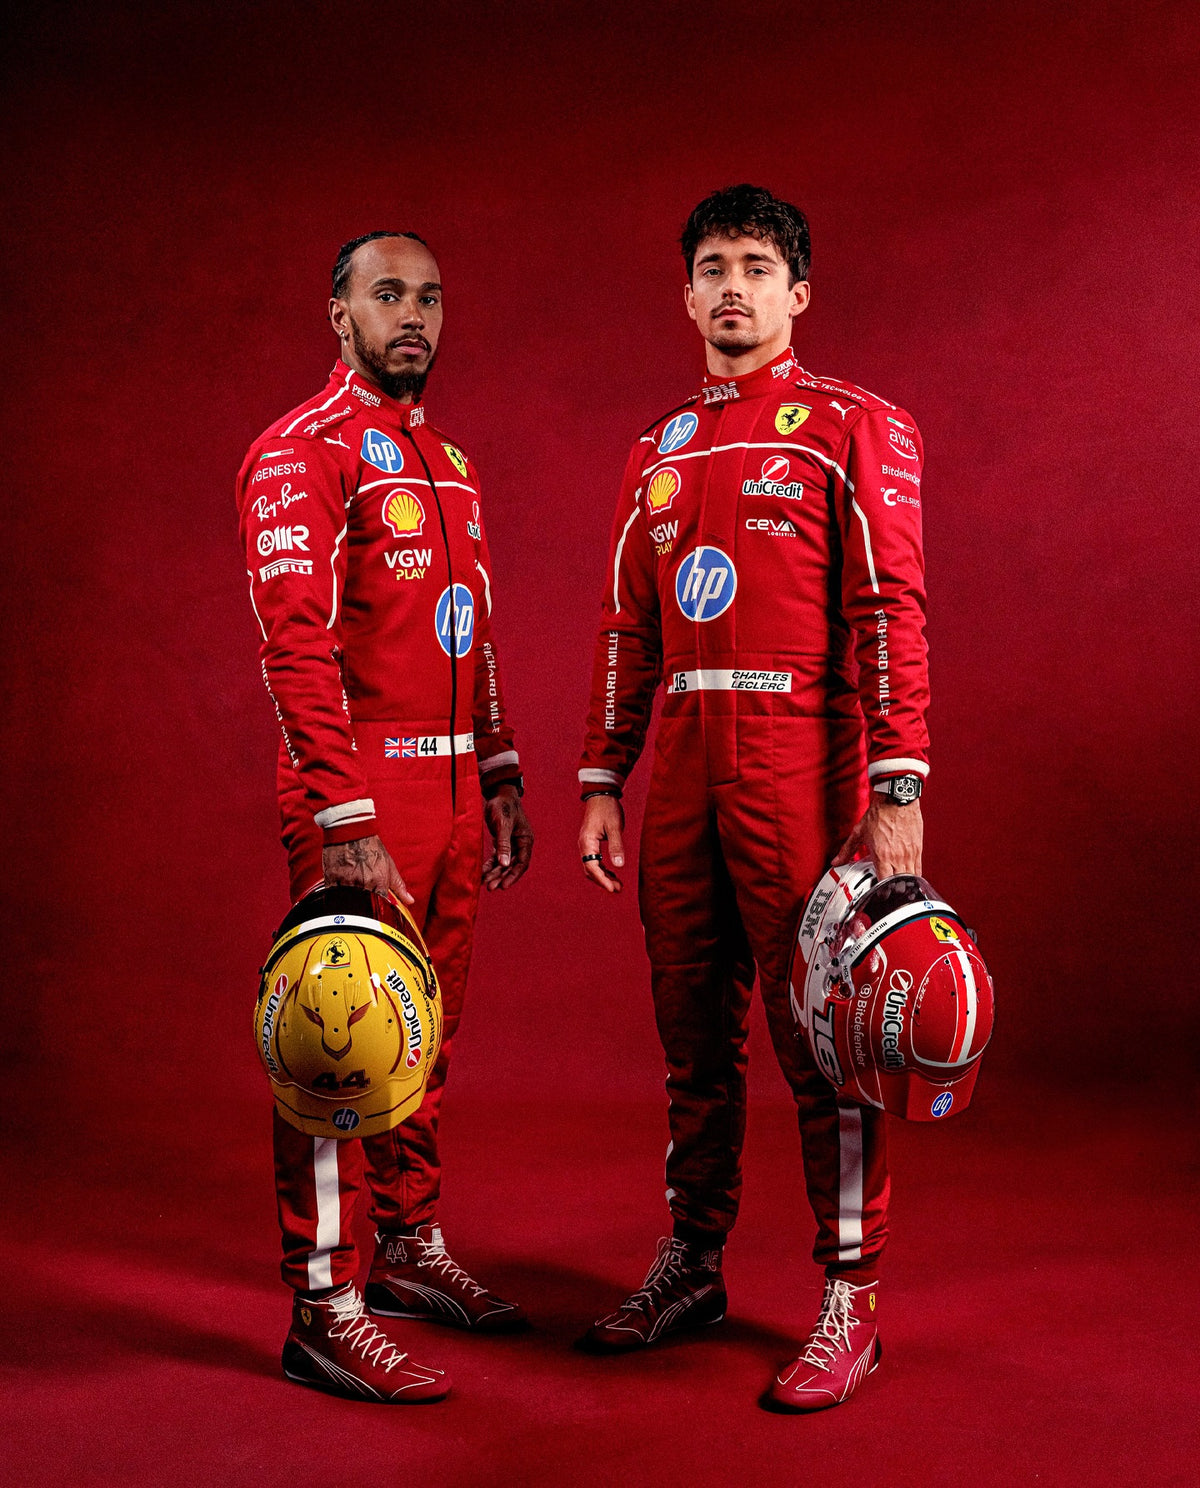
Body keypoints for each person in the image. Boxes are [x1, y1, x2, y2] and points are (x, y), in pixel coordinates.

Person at [576, 185, 929, 1411]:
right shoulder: (656, 451)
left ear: (799, 294)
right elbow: (627, 628)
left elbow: (889, 609)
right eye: (714, 267)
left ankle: (852, 1297)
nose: (734, 286)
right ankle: (693, 1263)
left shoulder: (853, 426)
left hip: (799, 760)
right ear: (687, 295)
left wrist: (898, 784)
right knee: (692, 1034)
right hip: (681, 764)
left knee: (828, 1037)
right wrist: (602, 777)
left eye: (758, 267)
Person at [236, 230, 534, 1403]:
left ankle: (408, 1245)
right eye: (388, 294)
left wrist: (498, 768)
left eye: (430, 298)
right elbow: (294, 645)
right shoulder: (298, 450)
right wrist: (344, 809)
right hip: (359, 794)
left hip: (452, 791)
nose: (413, 315)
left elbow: (474, 628)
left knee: (425, 1033)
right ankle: (323, 1307)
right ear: (339, 313)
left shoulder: (448, 460)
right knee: (337, 1042)